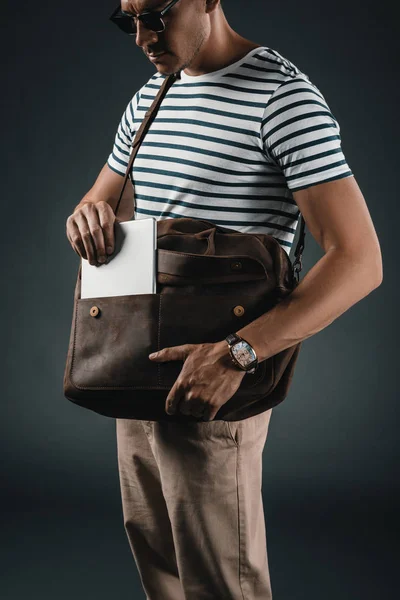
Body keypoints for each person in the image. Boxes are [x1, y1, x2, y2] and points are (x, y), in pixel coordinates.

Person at [65, 1, 383, 598]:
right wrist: (87, 216)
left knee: (220, 581)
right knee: (160, 565)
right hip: (135, 363)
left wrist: (237, 355)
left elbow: (360, 262)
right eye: (126, 18)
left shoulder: (281, 98)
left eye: (156, 15)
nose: (141, 37)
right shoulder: (150, 97)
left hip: (215, 372)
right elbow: (104, 201)